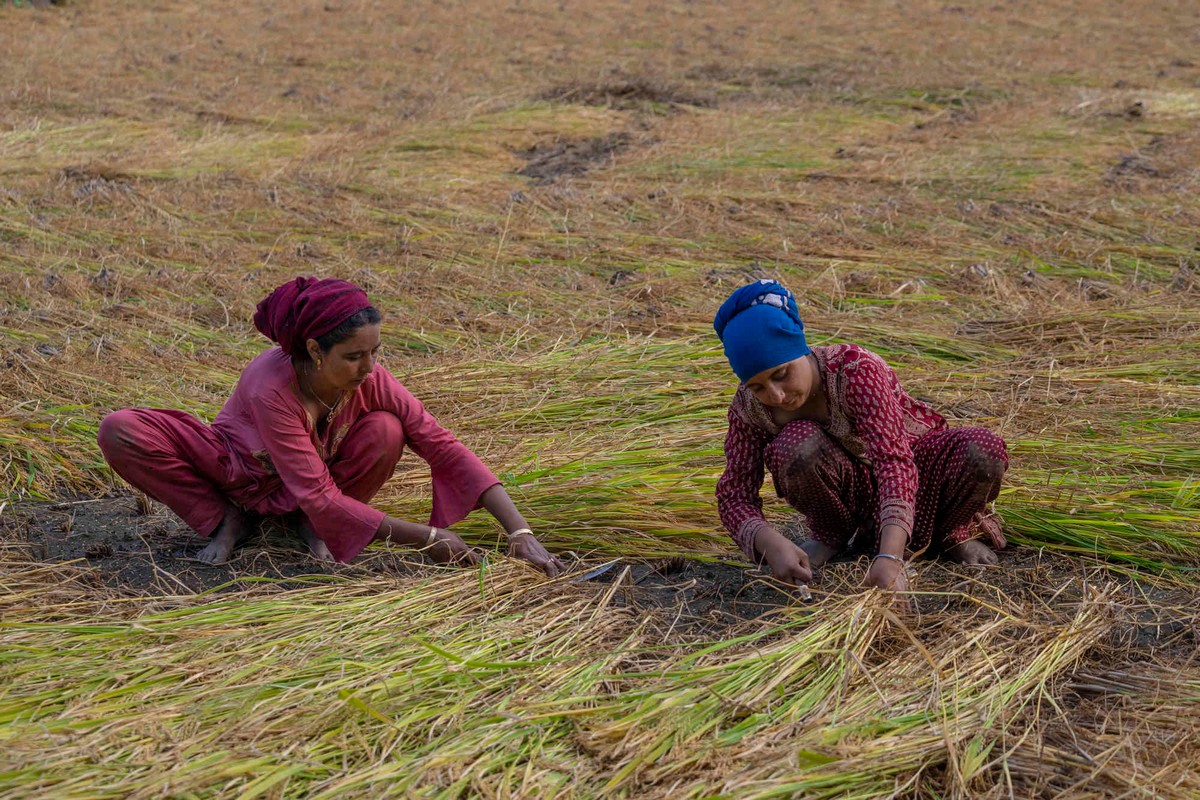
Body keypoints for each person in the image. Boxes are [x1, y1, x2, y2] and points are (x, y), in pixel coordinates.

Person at [97, 276, 564, 576]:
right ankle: (227, 519)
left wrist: (520, 533)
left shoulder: (367, 378)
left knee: (388, 429)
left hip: (308, 492)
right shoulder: (271, 387)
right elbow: (318, 491)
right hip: (240, 472)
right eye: (355, 356)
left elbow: (440, 444)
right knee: (121, 428)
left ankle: (312, 528)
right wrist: (427, 537)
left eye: (375, 352)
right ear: (317, 351)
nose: (370, 367)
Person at [712, 279, 1007, 593]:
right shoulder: (748, 408)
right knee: (797, 444)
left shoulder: (855, 371)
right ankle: (832, 535)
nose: (777, 395)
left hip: (917, 478)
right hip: (851, 494)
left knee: (982, 451)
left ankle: (949, 533)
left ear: (799, 346)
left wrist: (890, 557)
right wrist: (767, 542)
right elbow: (734, 494)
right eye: (757, 386)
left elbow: (894, 462)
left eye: (781, 374)